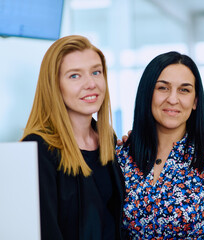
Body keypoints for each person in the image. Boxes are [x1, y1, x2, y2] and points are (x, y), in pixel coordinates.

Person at [115, 51, 204, 239]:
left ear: (195, 101)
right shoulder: (123, 156)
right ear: (147, 93)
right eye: (163, 88)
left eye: (184, 90)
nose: (173, 99)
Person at [21, 35, 126, 240]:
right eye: (74, 76)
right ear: (54, 86)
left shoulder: (108, 140)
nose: (91, 84)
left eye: (96, 72)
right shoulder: (38, 149)